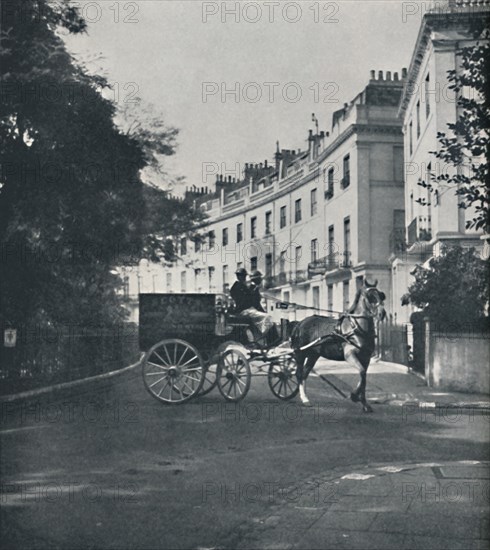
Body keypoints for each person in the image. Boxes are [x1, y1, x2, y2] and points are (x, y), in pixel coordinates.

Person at [241, 270, 280, 346]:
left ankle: (273, 340)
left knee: (270, 319)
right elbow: (253, 303)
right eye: (259, 279)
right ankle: (270, 340)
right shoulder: (251, 288)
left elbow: (257, 304)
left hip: (253, 309)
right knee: (267, 318)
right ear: (256, 279)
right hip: (248, 310)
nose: (261, 281)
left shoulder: (254, 288)